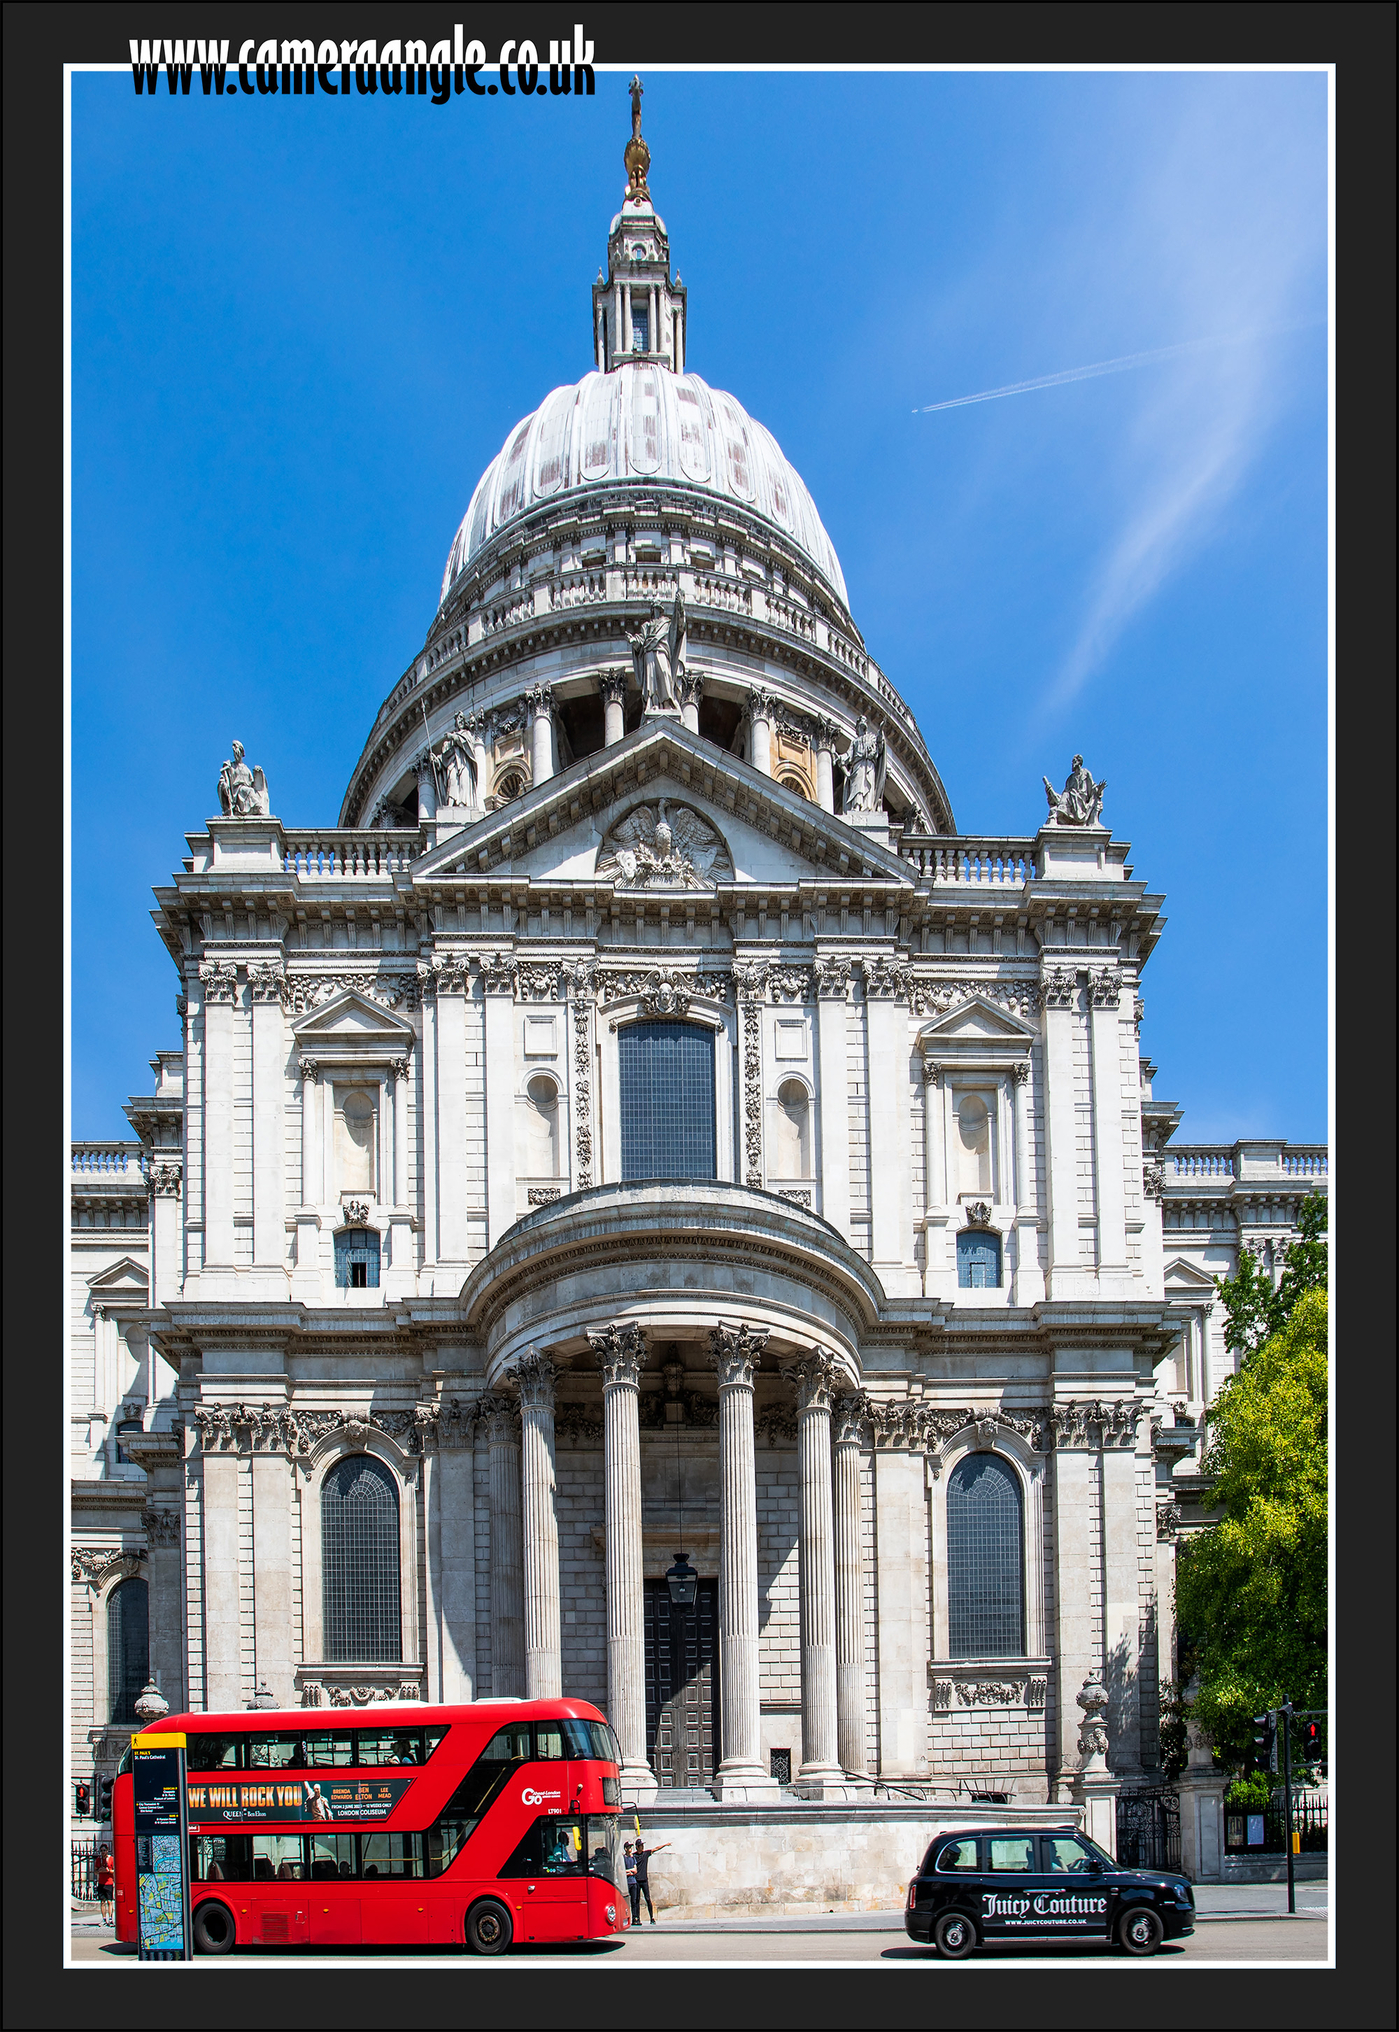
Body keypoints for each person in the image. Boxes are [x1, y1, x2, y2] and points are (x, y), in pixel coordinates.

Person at [631, 1838, 670, 1924]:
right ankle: (637, 1918)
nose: (642, 1847)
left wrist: (665, 1845)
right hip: (637, 1880)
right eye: (641, 1846)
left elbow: (655, 1849)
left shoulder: (645, 1854)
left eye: (643, 1845)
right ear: (637, 1847)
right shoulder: (633, 1856)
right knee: (636, 1900)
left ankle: (651, 1917)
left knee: (648, 1899)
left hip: (644, 1880)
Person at [96, 1846, 115, 1926]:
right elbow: (95, 1871)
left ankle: (110, 1919)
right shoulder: (98, 1860)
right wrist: (99, 1871)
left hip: (109, 1883)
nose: (103, 1852)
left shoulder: (111, 1859)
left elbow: (114, 1870)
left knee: (109, 1901)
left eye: (104, 1850)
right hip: (101, 1882)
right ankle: (104, 1919)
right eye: (101, 1850)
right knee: (102, 1901)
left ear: (107, 1851)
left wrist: (108, 1871)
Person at [622, 1842, 640, 1924]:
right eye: (629, 1847)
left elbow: (635, 1870)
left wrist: (628, 1871)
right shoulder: (623, 1858)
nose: (630, 1849)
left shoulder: (633, 1858)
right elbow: (621, 1871)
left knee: (634, 1901)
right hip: (626, 1883)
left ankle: (634, 1918)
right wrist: (630, 1871)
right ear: (625, 1849)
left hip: (633, 1882)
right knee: (625, 1902)